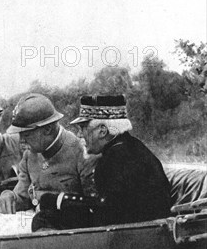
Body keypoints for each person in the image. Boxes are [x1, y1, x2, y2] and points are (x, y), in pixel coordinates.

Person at [41, 95, 171, 227]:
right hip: (150, 229)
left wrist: (61, 200)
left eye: (83, 128)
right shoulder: (134, 147)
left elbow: (110, 211)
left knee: (45, 218)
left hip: (138, 235)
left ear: (102, 131)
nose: (80, 135)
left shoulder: (113, 160)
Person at [0, 93, 97, 231]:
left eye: (26, 135)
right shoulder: (29, 155)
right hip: (36, 227)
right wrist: (9, 196)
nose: (22, 141)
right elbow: (23, 195)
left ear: (47, 129)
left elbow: (94, 208)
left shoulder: (81, 152)